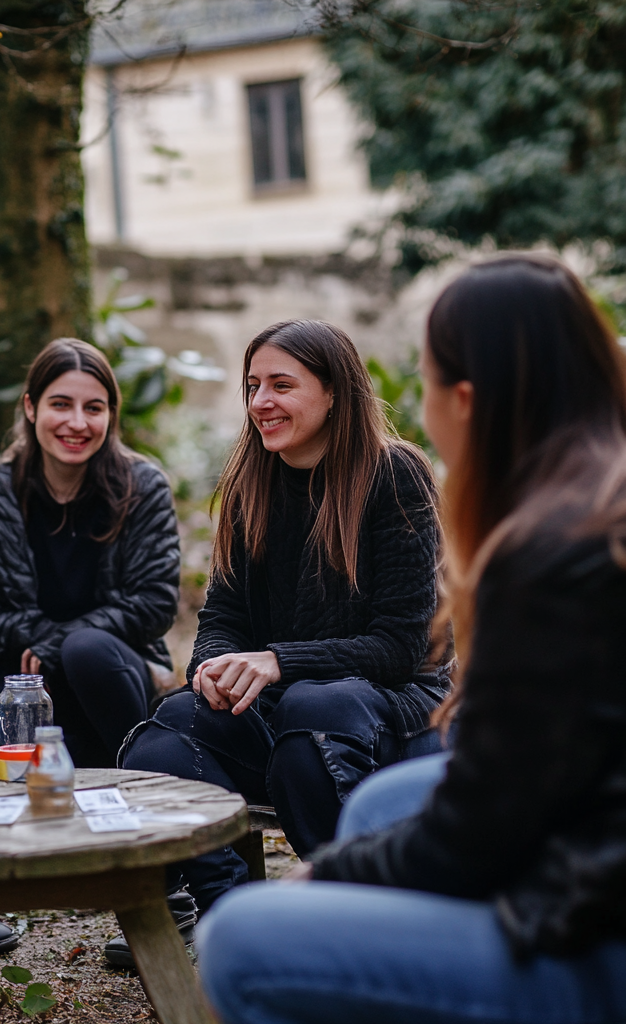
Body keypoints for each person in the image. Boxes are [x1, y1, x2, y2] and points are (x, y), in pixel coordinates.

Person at [198, 255, 626, 1024]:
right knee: (380, 806)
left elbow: (482, 821)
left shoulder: (548, 552)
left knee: (236, 937)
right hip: (587, 840)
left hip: (592, 931)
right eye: (252, 386)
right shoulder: (596, 497)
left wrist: (325, 883)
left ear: (466, 400)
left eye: (425, 383)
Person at [119, 320, 450, 915]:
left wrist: (278, 662)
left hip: (392, 711)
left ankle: (359, 904)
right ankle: (238, 911)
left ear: (334, 393)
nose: (260, 403)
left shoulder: (394, 475)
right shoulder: (252, 482)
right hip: (289, 703)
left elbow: (403, 645)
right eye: (252, 386)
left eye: (281, 385)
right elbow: (223, 614)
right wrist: (214, 668)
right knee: (167, 730)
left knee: (312, 710)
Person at [0, 337, 180, 773]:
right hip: (17, 682)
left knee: (85, 649)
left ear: (111, 414)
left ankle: (140, 774)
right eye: (61, 404)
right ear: (31, 408)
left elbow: (155, 603)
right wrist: (45, 640)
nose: (77, 422)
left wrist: (62, 641)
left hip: (108, 678)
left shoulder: (142, 487)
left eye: (94, 408)